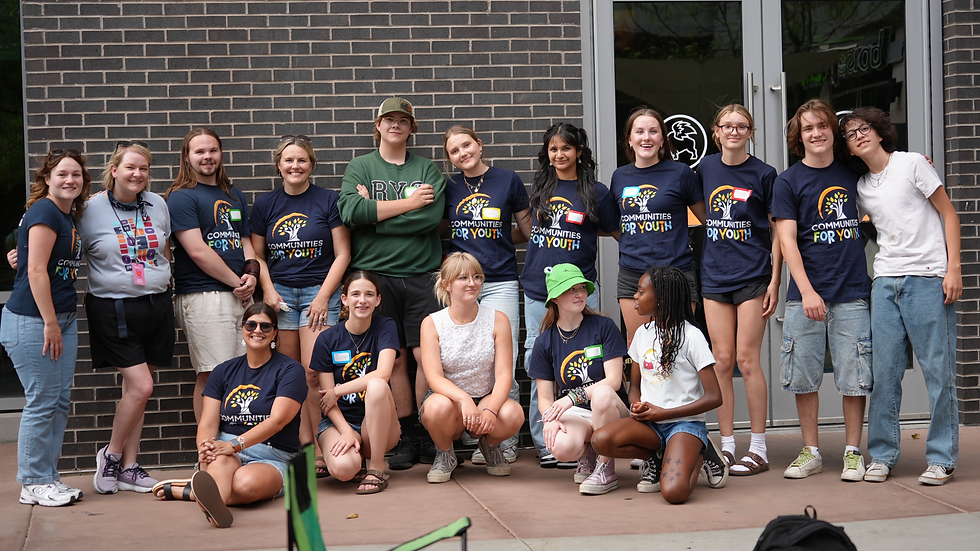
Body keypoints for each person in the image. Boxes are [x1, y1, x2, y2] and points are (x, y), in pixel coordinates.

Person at [840, 107, 962, 485]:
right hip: (885, 282)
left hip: (928, 277)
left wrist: (953, 268)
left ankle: (941, 458)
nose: (859, 135)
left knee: (938, 373)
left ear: (879, 132)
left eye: (864, 128)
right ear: (849, 148)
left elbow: (949, 214)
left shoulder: (912, 164)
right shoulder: (861, 187)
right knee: (885, 374)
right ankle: (882, 455)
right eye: (851, 134)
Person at [338, 97, 446, 470]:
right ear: (378, 125)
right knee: (393, 357)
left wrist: (375, 216)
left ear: (411, 128)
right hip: (375, 275)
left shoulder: (426, 168)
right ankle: (406, 436)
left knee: (424, 355)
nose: (395, 124)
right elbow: (350, 213)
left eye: (403, 120)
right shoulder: (360, 166)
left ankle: (429, 431)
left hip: (422, 275)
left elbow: (430, 219)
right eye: (389, 119)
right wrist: (409, 203)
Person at [772, 99, 871, 481]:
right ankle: (810, 451)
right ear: (799, 137)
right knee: (803, 376)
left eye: (822, 126)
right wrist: (808, 291)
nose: (816, 133)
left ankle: (852, 452)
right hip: (806, 295)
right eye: (808, 128)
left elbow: (887, 170)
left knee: (855, 376)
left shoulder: (852, 171)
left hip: (851, 291)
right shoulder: (788, 181)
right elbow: (787, 241)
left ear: (833, 130)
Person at [250, 135, 351, 476]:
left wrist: (323, 296)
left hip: (317, 295)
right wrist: (267, 290)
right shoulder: (265, 204)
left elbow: (343, 254)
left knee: (314, 372)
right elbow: (258, 256)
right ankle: (308, 449)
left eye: (302, 160)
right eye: (289, 160)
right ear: (279, 165)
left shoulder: (328, 200)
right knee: (292, 376)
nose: (295, 166)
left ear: (311, 164)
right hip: (280, 298)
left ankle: (325, 442)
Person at [522, 123, 619, 467]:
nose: (559, 154)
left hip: (580, 289)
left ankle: (591, 439)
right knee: (539, 361)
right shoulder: (540, 186)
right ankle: (546, 441)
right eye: (553, 149)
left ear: (579, 151)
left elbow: (616, 231)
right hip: (539, 289)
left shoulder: (596, 192)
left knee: (589, 362)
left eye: (566, 148)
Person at [81, 142, 174, 494]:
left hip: (156, 304)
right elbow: (58, 241)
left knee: (137, 392)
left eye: (144, 169)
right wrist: (21, 252)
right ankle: (112, 454)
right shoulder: (89, 208)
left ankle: (130, 467)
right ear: (114, 170)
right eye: (130, 167)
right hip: (113, 307)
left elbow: (164, 249)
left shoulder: (157, 204)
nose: (137, 174)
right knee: (142, 386)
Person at [591, 266, 728, 504]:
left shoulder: (692, 336)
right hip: (651, 425)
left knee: (674, 493)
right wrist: (636, 406)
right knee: (600, 441)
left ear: (661, 299)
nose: (635, 296)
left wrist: (665, 413)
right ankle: (657, 456)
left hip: (684, 424)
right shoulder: (642, 334)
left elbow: (715, 397)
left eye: (641, 292)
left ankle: (700, 453)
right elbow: (635, 387)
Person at [2, 149, 89, 506]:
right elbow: (36, 270)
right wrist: (50, 323)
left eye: (76, 174)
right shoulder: (44, 211)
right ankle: (33, 482)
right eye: (62, 174)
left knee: (58, 401)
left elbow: (29, 256)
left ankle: (48, 477)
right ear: (47, 179)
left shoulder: (66, 215)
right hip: (35, 320)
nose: (70, 180)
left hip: (60, 319)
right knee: (42, 401)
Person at [696, 105, 781, 475]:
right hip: (714, 277)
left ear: (751, 132)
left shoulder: (764, 173)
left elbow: (778, 229)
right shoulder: (704, 169)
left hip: (753, 276)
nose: (733, 131)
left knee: (747, 361)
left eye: (741, 126)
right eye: (727, 126)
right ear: (716, 132)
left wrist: (776, 280)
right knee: (722, 360)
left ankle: (758, 448)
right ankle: (727, 445)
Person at [441, 125, 531, 464]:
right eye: (454, 151)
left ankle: (502, 439)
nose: (462, 153)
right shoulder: (448, 187)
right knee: (465, 356)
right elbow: (434, 227)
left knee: (503, 357)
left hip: (500, 279)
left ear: (479, 145)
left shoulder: (507, 180)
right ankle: (472, 430)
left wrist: (502, 238)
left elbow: (528, 231)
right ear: (450, 158)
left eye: (467, 145)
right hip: (461, 281)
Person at [166, 128, 259, 423]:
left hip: (239, 294)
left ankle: (232, 441)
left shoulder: (233, 195)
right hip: (205, 295)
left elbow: (245, 243)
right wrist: (237, 283)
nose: (207, 157)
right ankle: (207, 444)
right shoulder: (182, 197)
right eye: (200, 152)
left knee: (242, 371)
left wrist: (251, 275)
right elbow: (197, 251)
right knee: (213, 373)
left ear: (220, 154)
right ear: (187, 157)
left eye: (213, 150)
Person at [191, 303, 307, 528]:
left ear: (274, 332)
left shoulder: (290, 370)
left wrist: (235, 444)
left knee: (244, 485)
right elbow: (207, 423)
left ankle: (193, 492)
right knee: (219, 463)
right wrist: (205, 447)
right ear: (243, 328)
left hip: (273, 453)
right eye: (251, 325)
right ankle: (215, 512)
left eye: (265, 326)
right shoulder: (223, 371)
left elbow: (278, 421)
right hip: (226, 449)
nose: (257, 330)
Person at [418, 253, 525, 483]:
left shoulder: (498, 319)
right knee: (435, 408)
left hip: (486, 398)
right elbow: (434, 378)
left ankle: (490, 445)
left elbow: (504, 375)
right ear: (447, 284)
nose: (472, 283)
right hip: (450, 404)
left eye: (477, 277)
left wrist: (491, 410)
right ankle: (445, 453)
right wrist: (463, 399)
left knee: (513, 413)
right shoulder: (432, 323)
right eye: (463, 278)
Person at [528, 263, 630, 495]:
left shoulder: (604, 326)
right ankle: (588, 452)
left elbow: (614, 381)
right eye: (571, 289)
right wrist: (550, 419)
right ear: (555, 298)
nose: (580, 294)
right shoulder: (544, 342)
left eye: (582, 288)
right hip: (579, 414)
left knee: (602, 394)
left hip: (612, 409)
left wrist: (573, 397)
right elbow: (544, 398)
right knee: (561, 448)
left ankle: (605, 468)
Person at [610, 107, 706, 342]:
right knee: (639, 347)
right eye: (639, 132)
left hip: (675, 274)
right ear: (629, 139)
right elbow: (617, 223)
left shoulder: (681, 173)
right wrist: (635, 241)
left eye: (653, 131)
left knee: (677, 347)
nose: (646, 137)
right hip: (632, 274)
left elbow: (706, 219)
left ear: (662, 139)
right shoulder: (620, 176)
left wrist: (684, 243)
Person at [311, 271, 400, 494]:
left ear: (378, 300)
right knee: (343, 470)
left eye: (369, 294)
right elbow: (326, 399)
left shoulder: (385, 326)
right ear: (344, 299)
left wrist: (338, 390)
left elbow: (384, 373)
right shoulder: (327, 339)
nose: (362, 300)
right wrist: (346, 432)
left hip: (378, 425)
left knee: (377, 385)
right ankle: (355, 458)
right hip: (339, 422)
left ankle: (376, 468)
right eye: (356, 294)